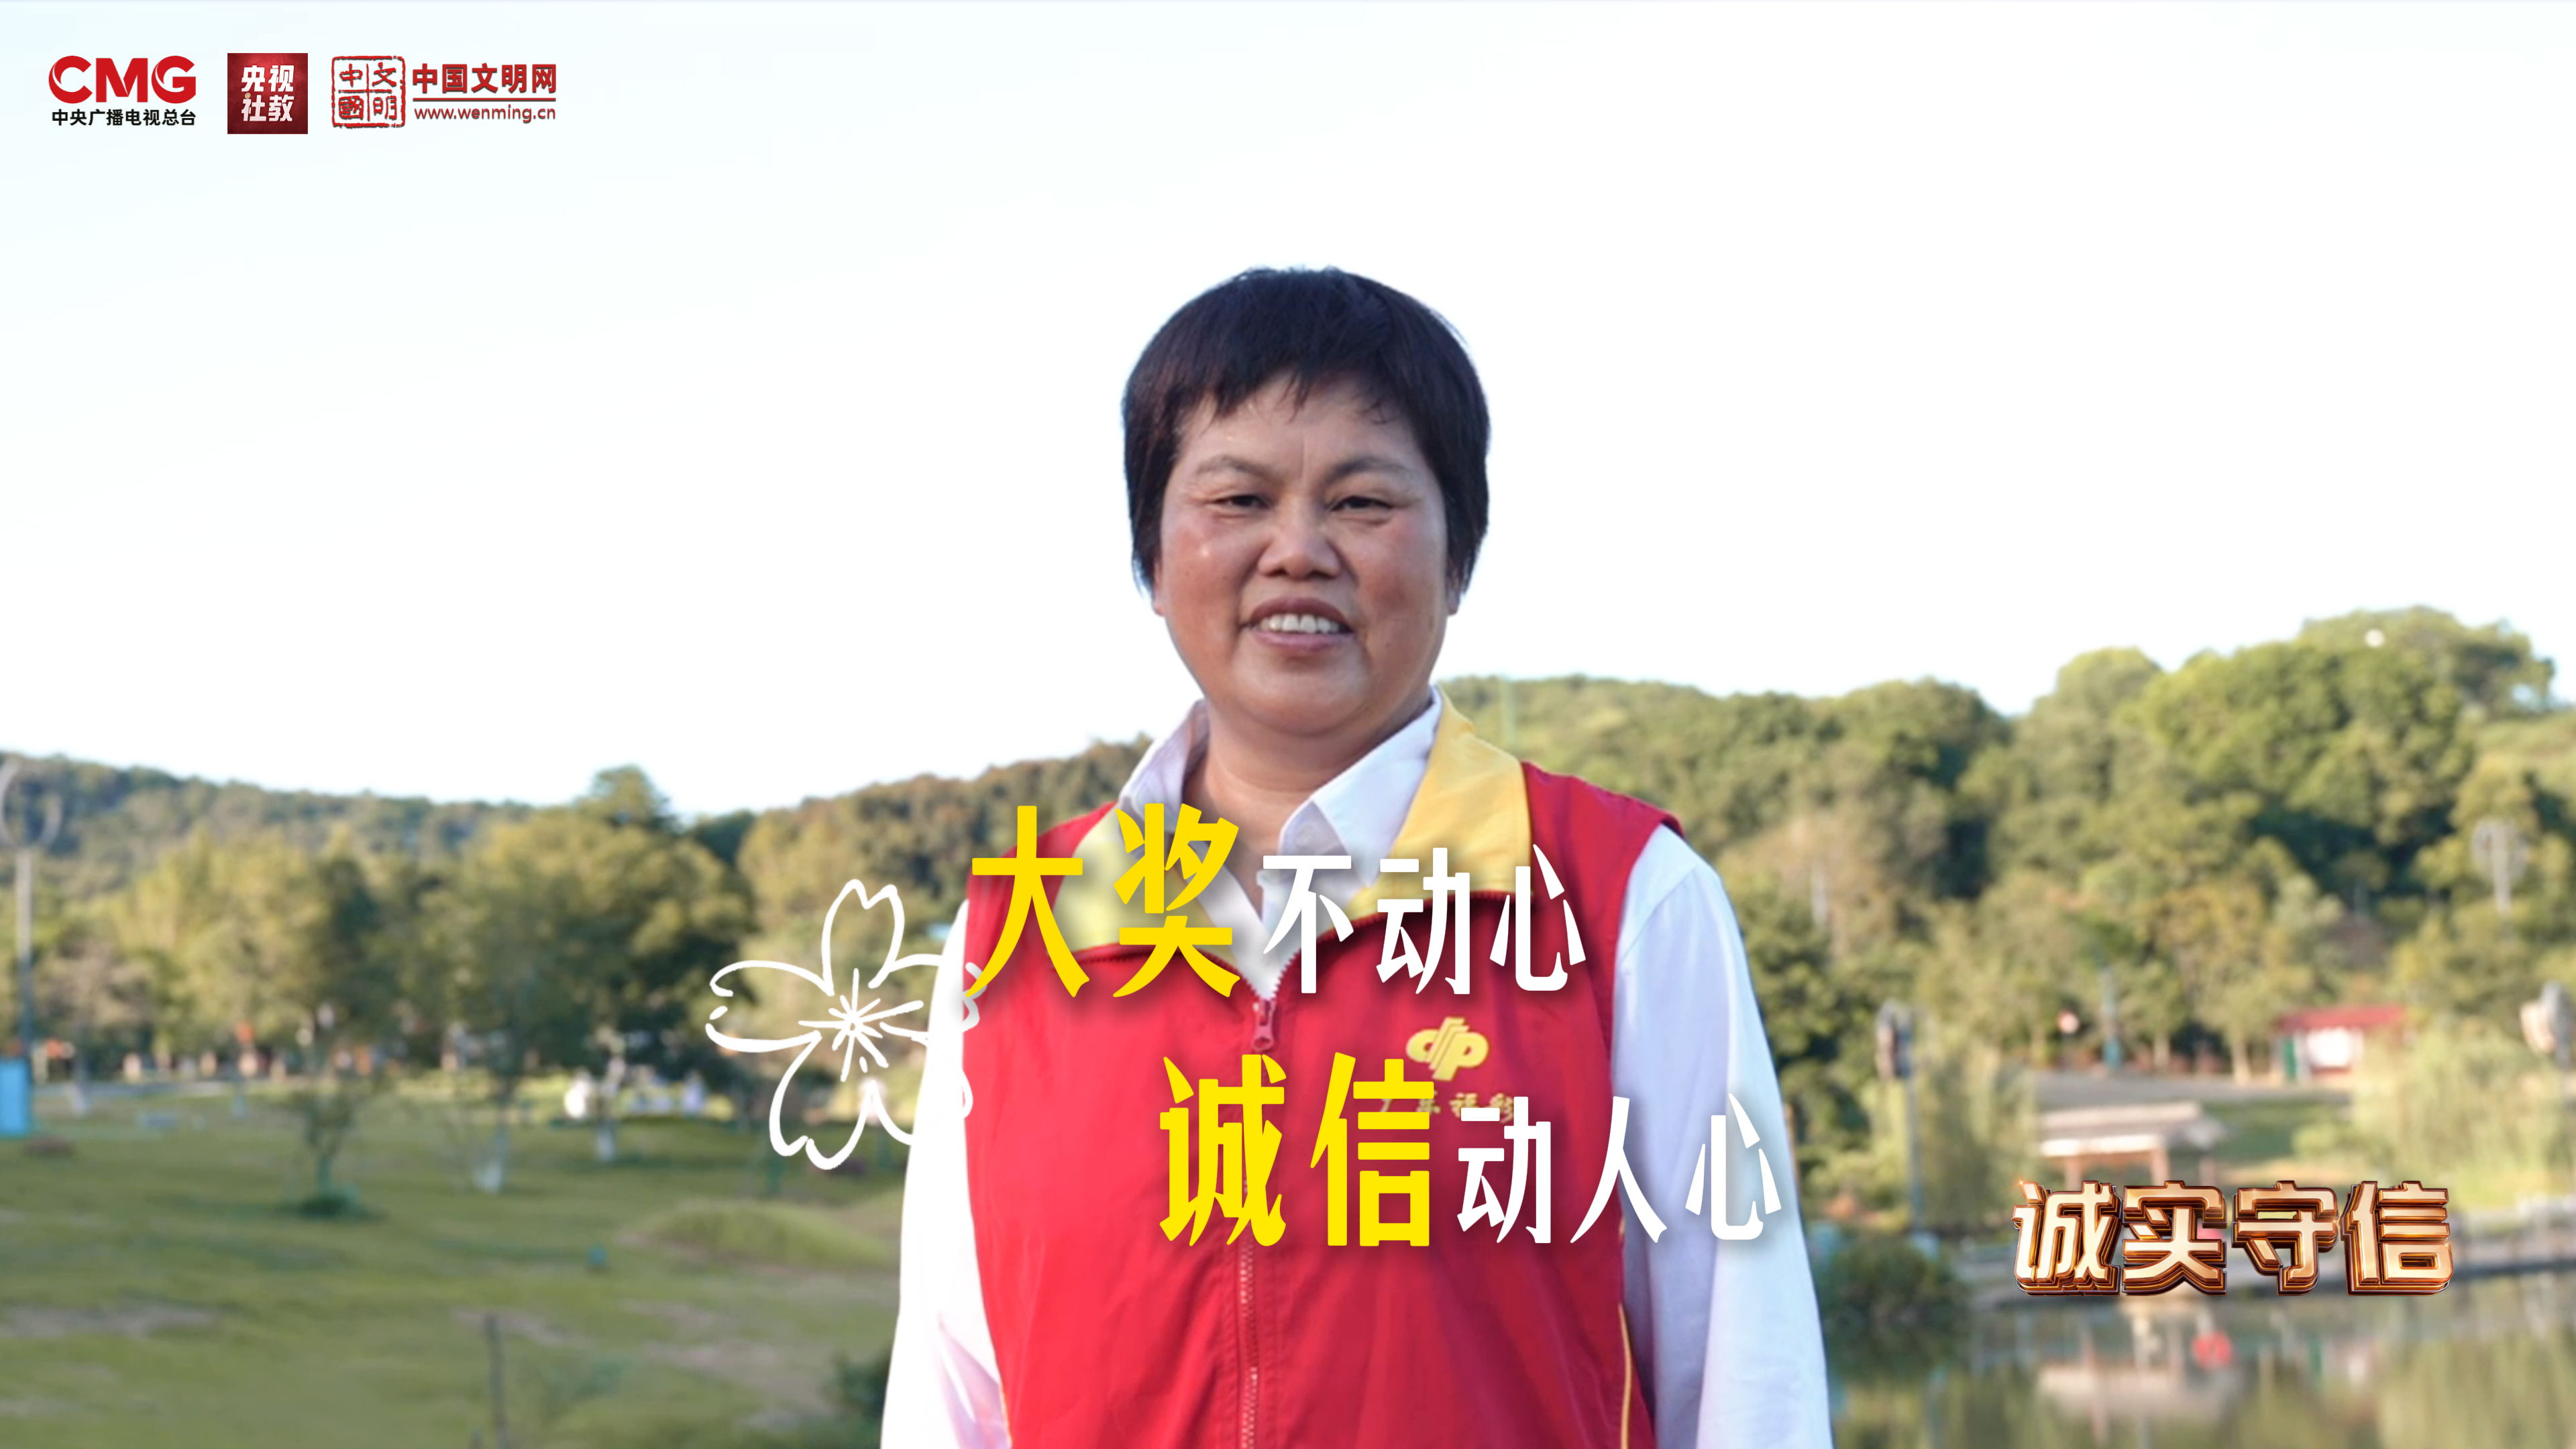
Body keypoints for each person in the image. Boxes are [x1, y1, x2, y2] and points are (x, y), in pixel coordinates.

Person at [885, 269, 1829, 1448]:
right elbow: (952, 1393)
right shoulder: (1024, 933)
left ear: (1459, 557)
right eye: (1237, 498)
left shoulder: (1624, 900)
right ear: (1151, 558)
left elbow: (1747, 1382)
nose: (1298, 550)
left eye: (1363, 501)